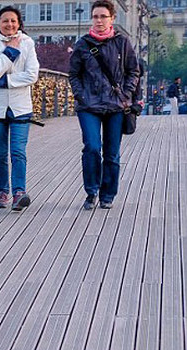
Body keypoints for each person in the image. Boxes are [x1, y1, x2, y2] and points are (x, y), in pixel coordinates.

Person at [69, 0, 139, 210]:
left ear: (112, 19)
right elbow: (74, 74)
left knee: (112, 153)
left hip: (115, 106)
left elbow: (133, 71)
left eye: (103, 17)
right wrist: (81, 95)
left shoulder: (122, 42)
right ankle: (91, 191)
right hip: (89, 105)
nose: (99, 21)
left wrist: (125, 94)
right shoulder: (83, 44)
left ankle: (107, 194)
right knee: (91, 147)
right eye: (96, 16)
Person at [0, 5, 39, 210]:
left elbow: (32, 75)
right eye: (5, 21)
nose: (10, 24)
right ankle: (2, 192)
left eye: (13, 21)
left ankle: (19, 193)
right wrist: (11, 51)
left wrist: (6, 82)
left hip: (20, 106)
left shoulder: (28, 43)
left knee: (17, 151)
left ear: (19, 23)